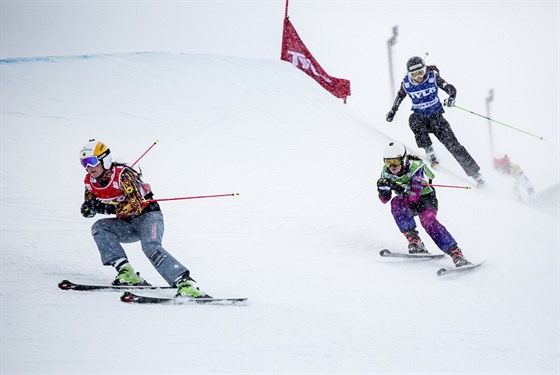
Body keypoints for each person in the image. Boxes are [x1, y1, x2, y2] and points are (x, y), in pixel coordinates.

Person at [78, 139, 211, 298]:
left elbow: (135, 206)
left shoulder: (123, 175)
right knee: (99, 227)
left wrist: (105, 208)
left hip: (148, 217)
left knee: (150, 246)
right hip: (128, 224)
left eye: (92, 161)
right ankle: (127, 273)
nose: (89, 167)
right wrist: (88, 209)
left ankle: (186, 283)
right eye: (84, 163)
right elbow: (89, 205)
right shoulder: (89, 182)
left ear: (104, 160)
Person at [385, 56, 485, 187]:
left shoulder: (432, 77)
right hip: (420, 118)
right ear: (409, 74)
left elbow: (450, 88)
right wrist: (393, 111)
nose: (418, 77)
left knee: (454, 146)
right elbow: (399, 96)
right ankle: (429, 149)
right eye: (414, 74)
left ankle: (476, 175)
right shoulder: (406, 83)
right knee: (413, 119)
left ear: (425, 69)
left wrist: (451, 97)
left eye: (421, 72)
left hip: (437, 119)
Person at [376, 141, 471, 267]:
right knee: (396, 202)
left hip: (426, 199)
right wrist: (382, 190)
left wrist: (397, 187)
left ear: (403, 159)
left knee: (427, 220)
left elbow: (413, 197)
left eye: (395, 161)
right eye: (388, 162)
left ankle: (456, 254)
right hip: (407, 200)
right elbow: (385, 200)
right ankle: (414, 240)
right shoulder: (386, 172)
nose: (392, 166)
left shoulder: (416, 168)